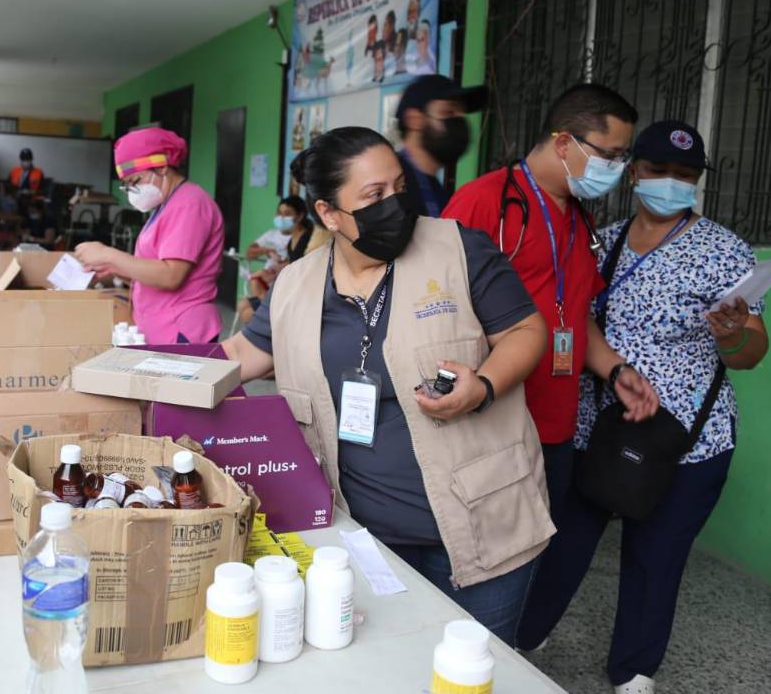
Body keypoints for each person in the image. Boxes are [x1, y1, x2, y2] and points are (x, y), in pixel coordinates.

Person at [221, 127, 554, 644]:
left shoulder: (459, 250)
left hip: (480, 523)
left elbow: (525, 331)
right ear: (329, 214)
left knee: (472, 668)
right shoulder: (296, 283)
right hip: (357, 535)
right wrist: (142, 375)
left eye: (399, 188)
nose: (395, 204)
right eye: (374, 196)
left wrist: (484, 384)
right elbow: (241, 355)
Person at [515, 120, 770, 694]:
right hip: (597, 429)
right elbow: (572, 319)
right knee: (563, 542)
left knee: (656, 559)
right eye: (658, 171)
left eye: (685, 175)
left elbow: (753, 350)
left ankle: (634, 670)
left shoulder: (724, 251)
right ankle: (526, 634)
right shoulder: (599, 241)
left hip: (686, 440)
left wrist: (732, 334)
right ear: (634, 173)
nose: (671, 183)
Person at [443, 84, 659, 537]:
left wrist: (616, 371)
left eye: (623, 157)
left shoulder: (579, 217)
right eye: (611, 155)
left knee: (542, 560)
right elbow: (437, 310)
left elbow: (575, 313)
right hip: (494, 424)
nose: (618, 169)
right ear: (564, 143)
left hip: (557, 427)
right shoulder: (484, 203)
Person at [73, 127, 224, 344]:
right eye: (127, 186)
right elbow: (152, 269)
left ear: (161, 168)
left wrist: (108, 254)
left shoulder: (189, 204)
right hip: (159, 324)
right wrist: (113, 269)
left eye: (135, 181)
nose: (132, 191)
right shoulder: (166, 206)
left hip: (180, 328)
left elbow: (171, 276)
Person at [394, 74, 487, 218]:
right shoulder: (389, 185)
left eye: (461, 114)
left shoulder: (438, 193)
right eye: (448, 112)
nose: (459, 121)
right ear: (414, 119)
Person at [237, 195, 327, 324]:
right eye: (279, 213)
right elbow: (290, 264)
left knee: (248, 315)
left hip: (297, 294)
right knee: (243, 305)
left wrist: (281, 272)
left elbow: (306, 269)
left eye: (287, 214)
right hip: (282, 285)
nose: (281, 218)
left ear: (300, 216)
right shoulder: (291, 240)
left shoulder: (309, 238)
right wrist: (277, 267)